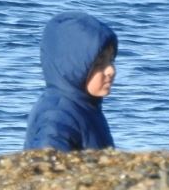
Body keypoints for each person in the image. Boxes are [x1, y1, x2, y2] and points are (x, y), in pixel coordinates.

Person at [23, 11, 118, 151]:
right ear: (73, 67)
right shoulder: (58, 117)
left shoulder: (85, 106)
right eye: (99, 64)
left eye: (111, 60)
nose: (111, 70)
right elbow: (47, 167)